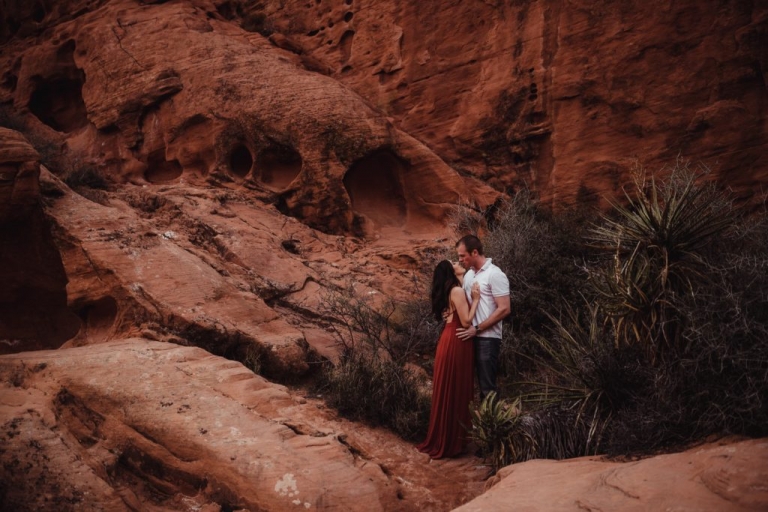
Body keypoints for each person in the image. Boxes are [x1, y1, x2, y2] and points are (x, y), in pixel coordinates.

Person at [417, 260, 480, 459]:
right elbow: (467, 320)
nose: (457, 261)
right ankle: (452, 441)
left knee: (452, 387)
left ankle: (453, 438)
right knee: (456, 387)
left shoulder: (451, 290)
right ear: (450, 271)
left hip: (449, 338)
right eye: (454, 262)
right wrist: (476, 299)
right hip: (457, 339)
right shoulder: (457, 291)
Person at [455, 235, 510, 401]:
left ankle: (493, 425)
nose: (460, 260)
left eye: (462, 256)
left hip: (487, 338)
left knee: (487, 387)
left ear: (475, 252)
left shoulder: (495, 274)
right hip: (468, 337)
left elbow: (504, 308)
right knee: (467, 385)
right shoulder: (469, 276)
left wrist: (477, 329)